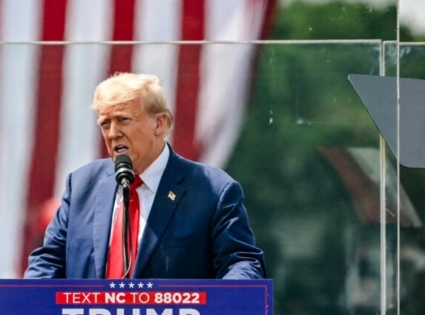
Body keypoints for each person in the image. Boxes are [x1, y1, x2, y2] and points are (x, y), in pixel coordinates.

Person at [24, 72, 266, 279]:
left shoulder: (211, 190)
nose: (113, 133)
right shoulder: (81, 185)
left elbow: (241, 263)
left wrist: (221, 301)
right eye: (105, 123)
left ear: (160, 124)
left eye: (123, 120)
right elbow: (49, 261)